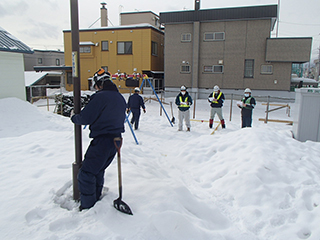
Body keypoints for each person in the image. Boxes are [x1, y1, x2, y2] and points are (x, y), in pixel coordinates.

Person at [70, 68, 126, 210]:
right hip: (116, 140)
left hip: (102, 141)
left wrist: (73, 117)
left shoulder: (100, 97)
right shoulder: (120, 97)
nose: (95, 89)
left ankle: (88, 207)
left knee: (86, 174)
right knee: (98, 170)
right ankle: (95, 199)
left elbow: (86, 117)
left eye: (95, 86)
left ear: (99, 84)